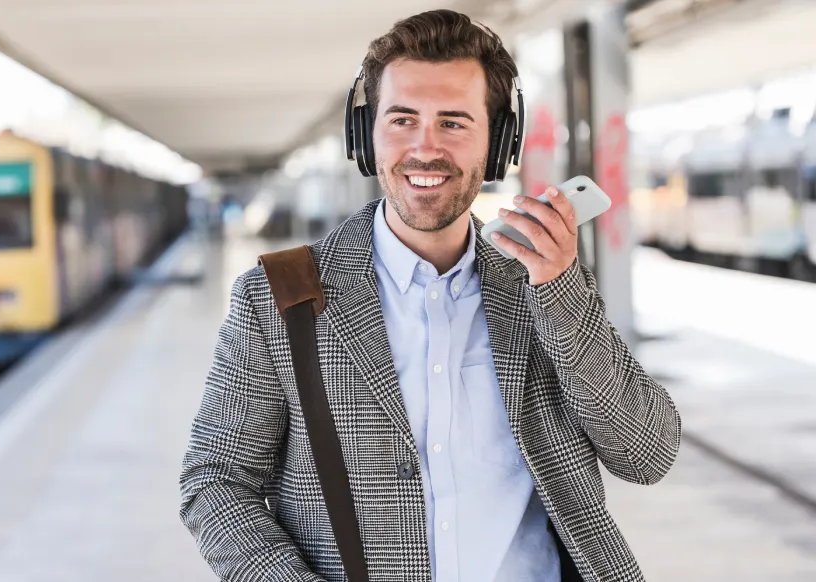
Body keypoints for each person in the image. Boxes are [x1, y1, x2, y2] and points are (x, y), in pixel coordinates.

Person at [179, 9, 681, 582]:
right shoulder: (280, 296)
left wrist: (562, 294)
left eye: (454, 122)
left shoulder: (545, 282)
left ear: (498, 143)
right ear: (365, 136)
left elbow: (647, 454)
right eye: (402, 119)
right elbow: (215, 481)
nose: (425, 148)